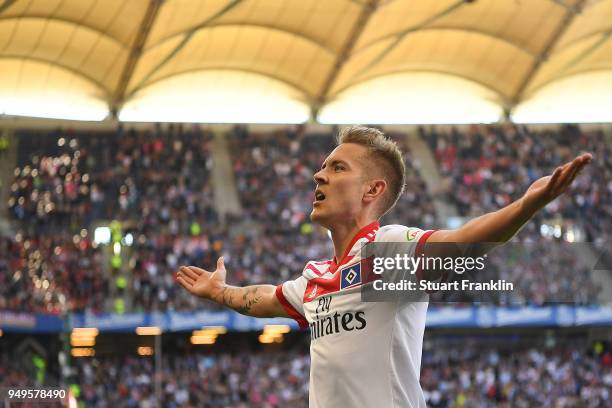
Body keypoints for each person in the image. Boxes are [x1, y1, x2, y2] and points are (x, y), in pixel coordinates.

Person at [176, 126, 592, 407]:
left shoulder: (383, 254)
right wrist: (219, 292)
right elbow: (265, 298)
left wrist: (525, 206)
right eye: (322, 168)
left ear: (372, 189)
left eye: (337, 168)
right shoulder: (317, 280)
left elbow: (460, 243)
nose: (319, 177)